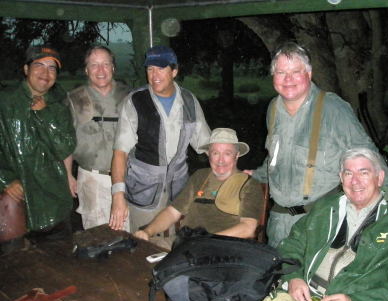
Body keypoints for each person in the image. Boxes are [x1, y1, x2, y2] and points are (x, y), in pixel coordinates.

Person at [245, 42, 388, 247]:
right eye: (281, 72)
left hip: (321, 222)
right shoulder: (273, 108)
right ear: (273, 76)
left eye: (296, 71)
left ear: (309, 74)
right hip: (279, 223)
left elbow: (366, 153)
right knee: (280, 278)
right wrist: (256, 174)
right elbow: (276, 155)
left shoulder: (332, 107)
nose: (288, 79)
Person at [278, 148, 388, 301]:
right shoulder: (326, 207)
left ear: (380, 178)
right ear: (341, 178)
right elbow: (292, 244)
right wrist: (293, 277)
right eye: (348, 173)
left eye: (364, 173)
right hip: (301, 300)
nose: (355, 181)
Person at [109, 45, 211, 234]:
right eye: (150, 69)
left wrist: (229, 168)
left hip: (178, 194)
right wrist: (118, 196)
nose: (154, 75)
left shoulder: (189, 101)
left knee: (175, 248)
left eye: (161, 68)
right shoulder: (135, 102)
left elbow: (206, 145)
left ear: (174, 71)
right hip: (143, 194)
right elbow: (120, 152)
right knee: (143, 248)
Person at [134, 128, 264, 250]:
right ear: (209, 155)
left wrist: (207, 241)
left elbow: (248, 228)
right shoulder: (200, 176)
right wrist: (147, 232)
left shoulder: (249, 185)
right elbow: (173, 212)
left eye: (227, 153)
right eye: (215, 153)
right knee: (137, 251)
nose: (220, 160)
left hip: (223, 248)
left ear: (237, 155)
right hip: (184, 242)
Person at [0, 45, 76, 236]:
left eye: (52, 68)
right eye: (39, 65)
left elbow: (65, 148)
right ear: (26, 69)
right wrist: (5, 180)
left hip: (55, 203)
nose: (45, 73)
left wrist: (45, 115)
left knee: (61, 261)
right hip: (15, 202)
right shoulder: (5, 102)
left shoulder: (59, 107)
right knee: (18, 262)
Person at [67, 46, 129, 230]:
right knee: (97, 237)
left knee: (129, 236)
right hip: (91, 179)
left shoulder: (129, 96)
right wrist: (68, 174)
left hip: (127, 179)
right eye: (94, 65)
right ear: (86, 70)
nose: (100, 70)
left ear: (113, 68)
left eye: (105, 64)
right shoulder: (74, 99)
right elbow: (66, 140)